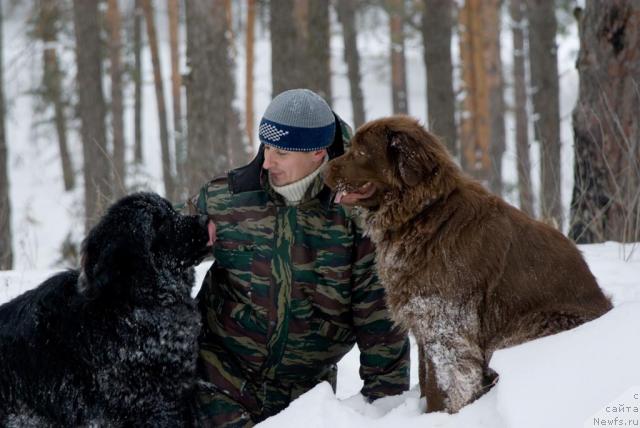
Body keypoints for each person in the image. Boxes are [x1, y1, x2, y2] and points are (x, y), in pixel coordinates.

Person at [183, 89, 410, 427]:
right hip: (218, 382)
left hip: (305, 400)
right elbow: (155, 252)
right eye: (266, 147)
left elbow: (378, 319)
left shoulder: (357, 217)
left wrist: (386, 408)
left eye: (281, 153)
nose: (267, 161)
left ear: (318, 153)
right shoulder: (225, 198)